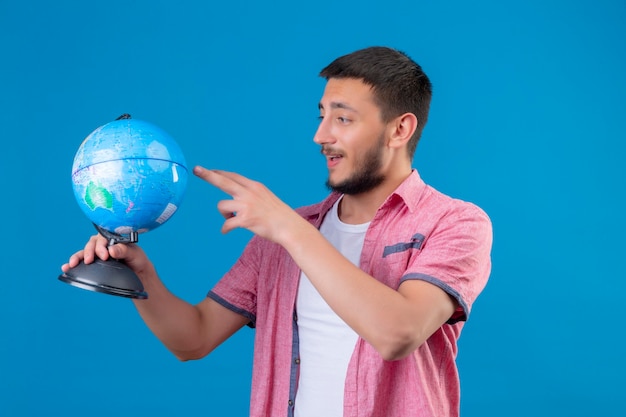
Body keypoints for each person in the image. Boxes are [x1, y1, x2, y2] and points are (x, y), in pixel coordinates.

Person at [62, 46, 492, 417]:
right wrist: (143, 275)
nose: (320, 135)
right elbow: (192, 339)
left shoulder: (454, 222)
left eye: (343, 119)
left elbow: (398, 333)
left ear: (400, 129)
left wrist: (288, 229)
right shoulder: (282, 235)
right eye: (322, 115)